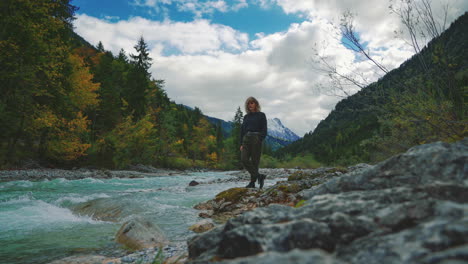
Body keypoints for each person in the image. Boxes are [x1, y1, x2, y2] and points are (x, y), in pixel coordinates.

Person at [240, 97, 267, 188]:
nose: (250, 105)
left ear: (256, 104)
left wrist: (260, 139)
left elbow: (264, 129)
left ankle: (252, 183)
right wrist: (241, 143)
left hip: (256, 138)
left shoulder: (261, 115)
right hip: (246, 139)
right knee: (244, 159)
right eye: (248, 103)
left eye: (252, 103)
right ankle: (259, 176)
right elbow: (242, 130)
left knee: (255, 162)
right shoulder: (246, 117)